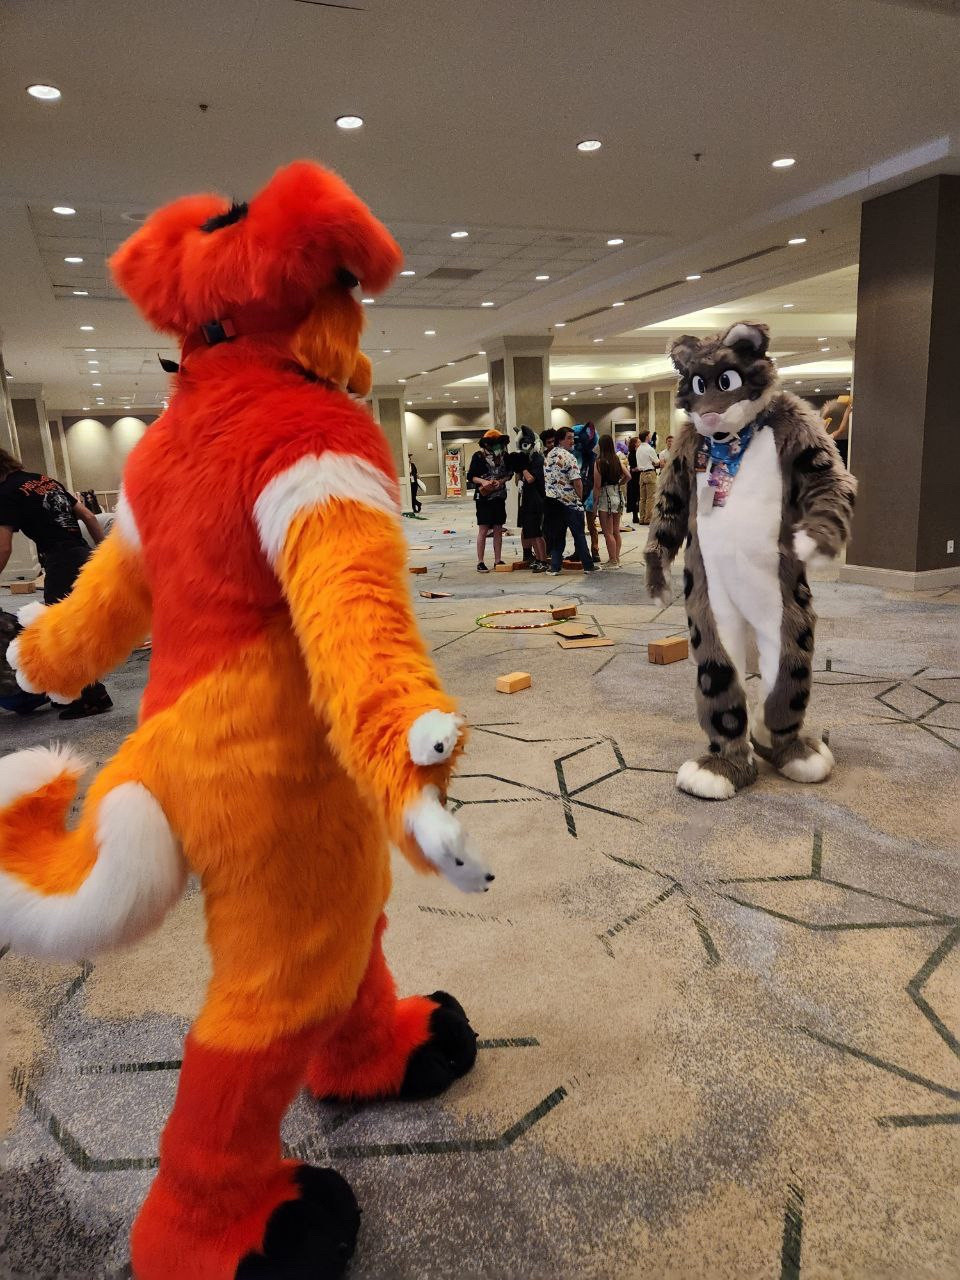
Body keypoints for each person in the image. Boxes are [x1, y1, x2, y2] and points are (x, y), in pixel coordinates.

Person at [0, 448, 112, 718]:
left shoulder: (5, 494)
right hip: (82, 554)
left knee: (61, 631)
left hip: (60, 562)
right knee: (76, 627)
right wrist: (103, 555)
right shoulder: (45, 480)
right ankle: (86, 693)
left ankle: (91, 697)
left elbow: (3, 547)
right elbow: (87, 516)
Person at [544, 427, 600, 576]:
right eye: (569, 438)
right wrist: (580, 498)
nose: (572, 441)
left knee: (557, 536)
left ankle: (555, 567)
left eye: (573, 437)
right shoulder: (569, 457)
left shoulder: (548, 456)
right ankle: (588, 566)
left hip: (552, 502)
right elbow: (577, 482)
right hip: (570, 502)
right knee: (579, 535)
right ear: (560, 440)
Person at [466, 428, 509, 571]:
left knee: (498, 528)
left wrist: (500, 482)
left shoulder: (504, 456)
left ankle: (498, 559)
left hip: (499, 496)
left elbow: (509, 474)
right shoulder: (478, 456)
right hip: (483, 497)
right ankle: (480, 561)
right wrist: (483, 482)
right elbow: (471, 476)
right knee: (483, 529)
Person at [593, 434, 629, 567]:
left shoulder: (599, 462)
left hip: (605, 498)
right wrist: (620, 484)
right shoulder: (616, 459)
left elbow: (597, 486)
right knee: (616, 531)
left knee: (607, 532)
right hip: (617, 496)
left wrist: (594, 504)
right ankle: (616, 558)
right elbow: (628, 476)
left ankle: (612, 560)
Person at [635, 429, 659, 524]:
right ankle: (648, 519)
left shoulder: (639, 449)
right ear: (646, 437)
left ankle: (642, 518)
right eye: (649, 436)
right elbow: (656, 462)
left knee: (642, 498)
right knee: (651, 498)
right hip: (650, 473)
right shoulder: (650, 449)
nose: (650, 437)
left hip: (642, 474)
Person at [822, 398, 851, 467]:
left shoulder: (824, 437)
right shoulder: (825, 438)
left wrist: (826, 411)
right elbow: (841, 429)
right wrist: (847, 412)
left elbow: (841, 429)